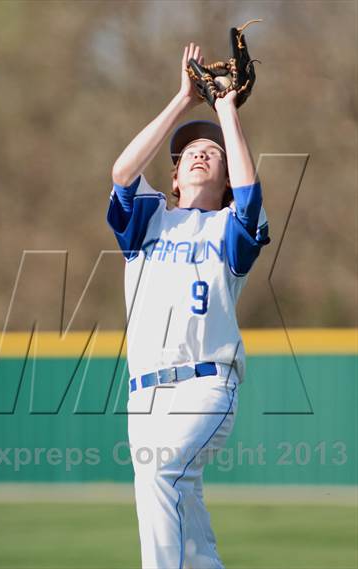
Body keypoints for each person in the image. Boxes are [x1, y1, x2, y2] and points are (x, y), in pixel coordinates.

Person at [107, 43, 270, 569]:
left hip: (205, 386)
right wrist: (182, 100)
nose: (200, 152)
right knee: (188, 526)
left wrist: (225, 110)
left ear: (224, 181)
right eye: (187, 153)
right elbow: (122, 172)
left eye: (213, 152)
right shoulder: (150, 219)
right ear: (173, 177)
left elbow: (249, 201)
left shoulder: (230, 230)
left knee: (161, 474)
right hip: (143, 397)